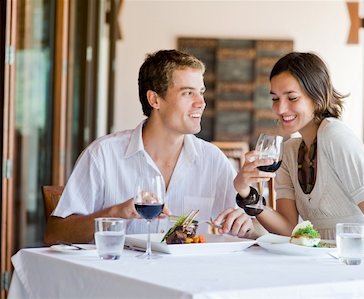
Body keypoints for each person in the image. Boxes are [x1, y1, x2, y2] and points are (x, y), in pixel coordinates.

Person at [44, 49, 254, 245]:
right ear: (154, 99)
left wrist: (244, 222)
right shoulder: (103, 155)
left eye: (201, 92)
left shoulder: (213, 160)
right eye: (188, 93)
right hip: (120, 281)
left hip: (192, 280)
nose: (201, 102)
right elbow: (55, 234)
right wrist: (117, 212)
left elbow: (253, 231)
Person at [231, 52, 364, 257]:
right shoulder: (289, 151)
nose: (280, 108)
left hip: (363, 261)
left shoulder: (336, 135)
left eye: (292, 98)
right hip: (321, 264)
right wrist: (245, 191)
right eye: (275, 98)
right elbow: (288, 228)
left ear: (317, 96)